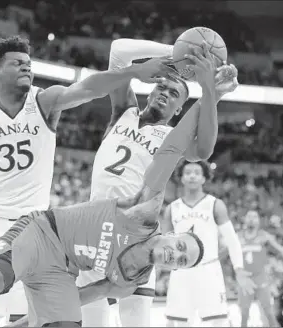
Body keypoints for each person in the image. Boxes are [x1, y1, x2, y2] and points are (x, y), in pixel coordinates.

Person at [0, 35, 178, 327]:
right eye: (17, 63)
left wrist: (131, 72)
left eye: (29, 63)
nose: (27, 67)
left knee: (23, 318)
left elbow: (89, 89)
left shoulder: (44, 100)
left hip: (29, 228)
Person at [78, 38, 239, 327]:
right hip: (95, 227)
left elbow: (204, 150)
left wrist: (213, 94)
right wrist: (177, 54)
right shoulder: (123, 112)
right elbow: (117, 50)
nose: (165, 93)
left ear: (179, 110)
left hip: (138, 235)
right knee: (92, 322)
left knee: (136, 320)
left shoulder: (173, 139)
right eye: (161, 87)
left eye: (174, 93)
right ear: (151, 91)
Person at [164, 161, 255, 327]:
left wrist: (239, 269)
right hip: (181, 273)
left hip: (209, 270)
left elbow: (232, 240)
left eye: (197, 173)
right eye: (188, 172)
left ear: (204, 178)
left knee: (217, 321)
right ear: (182, 178)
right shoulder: (172, 208)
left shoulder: (215, 204)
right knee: (176, 323)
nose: (192, 176)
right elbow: (164, 246)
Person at [238, 210, 283, 327]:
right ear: (244, 219)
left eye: (254, 217)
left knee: (268, 312)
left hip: (261, 278)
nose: (251, 219)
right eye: (249, 216)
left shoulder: (264, 236)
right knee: (244, 314)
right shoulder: (238, 236)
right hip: (245, 280)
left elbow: (282, 251)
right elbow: (224, 252)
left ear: (259, 221)